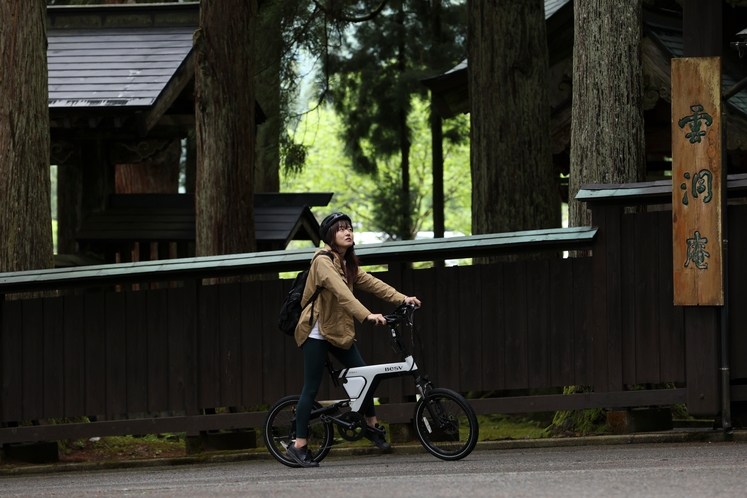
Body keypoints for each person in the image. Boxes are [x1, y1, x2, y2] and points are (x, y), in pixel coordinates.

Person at [287, 212, 421, 468]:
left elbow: (373, 283)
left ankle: (371, 426)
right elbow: (341, 293)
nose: (348, 232)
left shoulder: (347, 263)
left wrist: (403, 298)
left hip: (337, 330)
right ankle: (299, 445)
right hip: (315, 331)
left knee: (364, 375)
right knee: (311, 387)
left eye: (349, 228)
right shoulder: (322, 261)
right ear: (329, 235)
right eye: (341, 229)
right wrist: (367, 315)